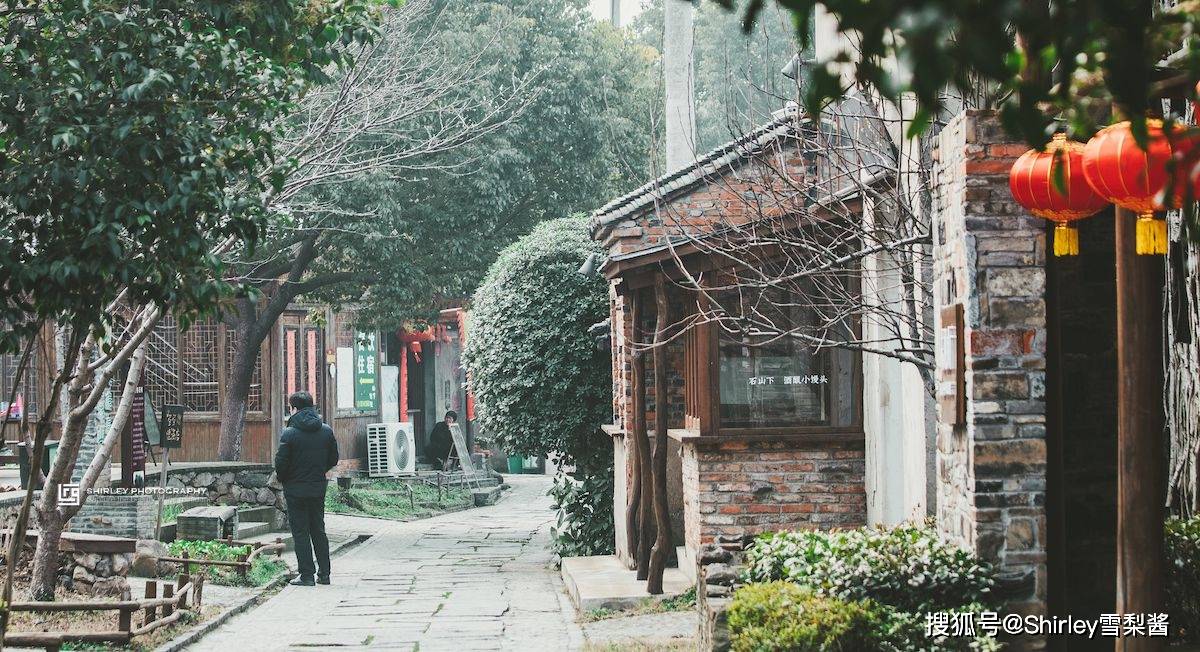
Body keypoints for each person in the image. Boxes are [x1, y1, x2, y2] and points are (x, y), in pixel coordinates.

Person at [274, 391, 339, 586]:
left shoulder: (290, 433)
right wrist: (319, 472)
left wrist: (286, 479)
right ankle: (325, 575)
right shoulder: (326, 430)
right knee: (318, 529)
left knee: (301, 532)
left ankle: (307, 575)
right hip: (318, 487)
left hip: (295, 490)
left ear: (294, 409)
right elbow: (333, 459)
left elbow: (281, 464)